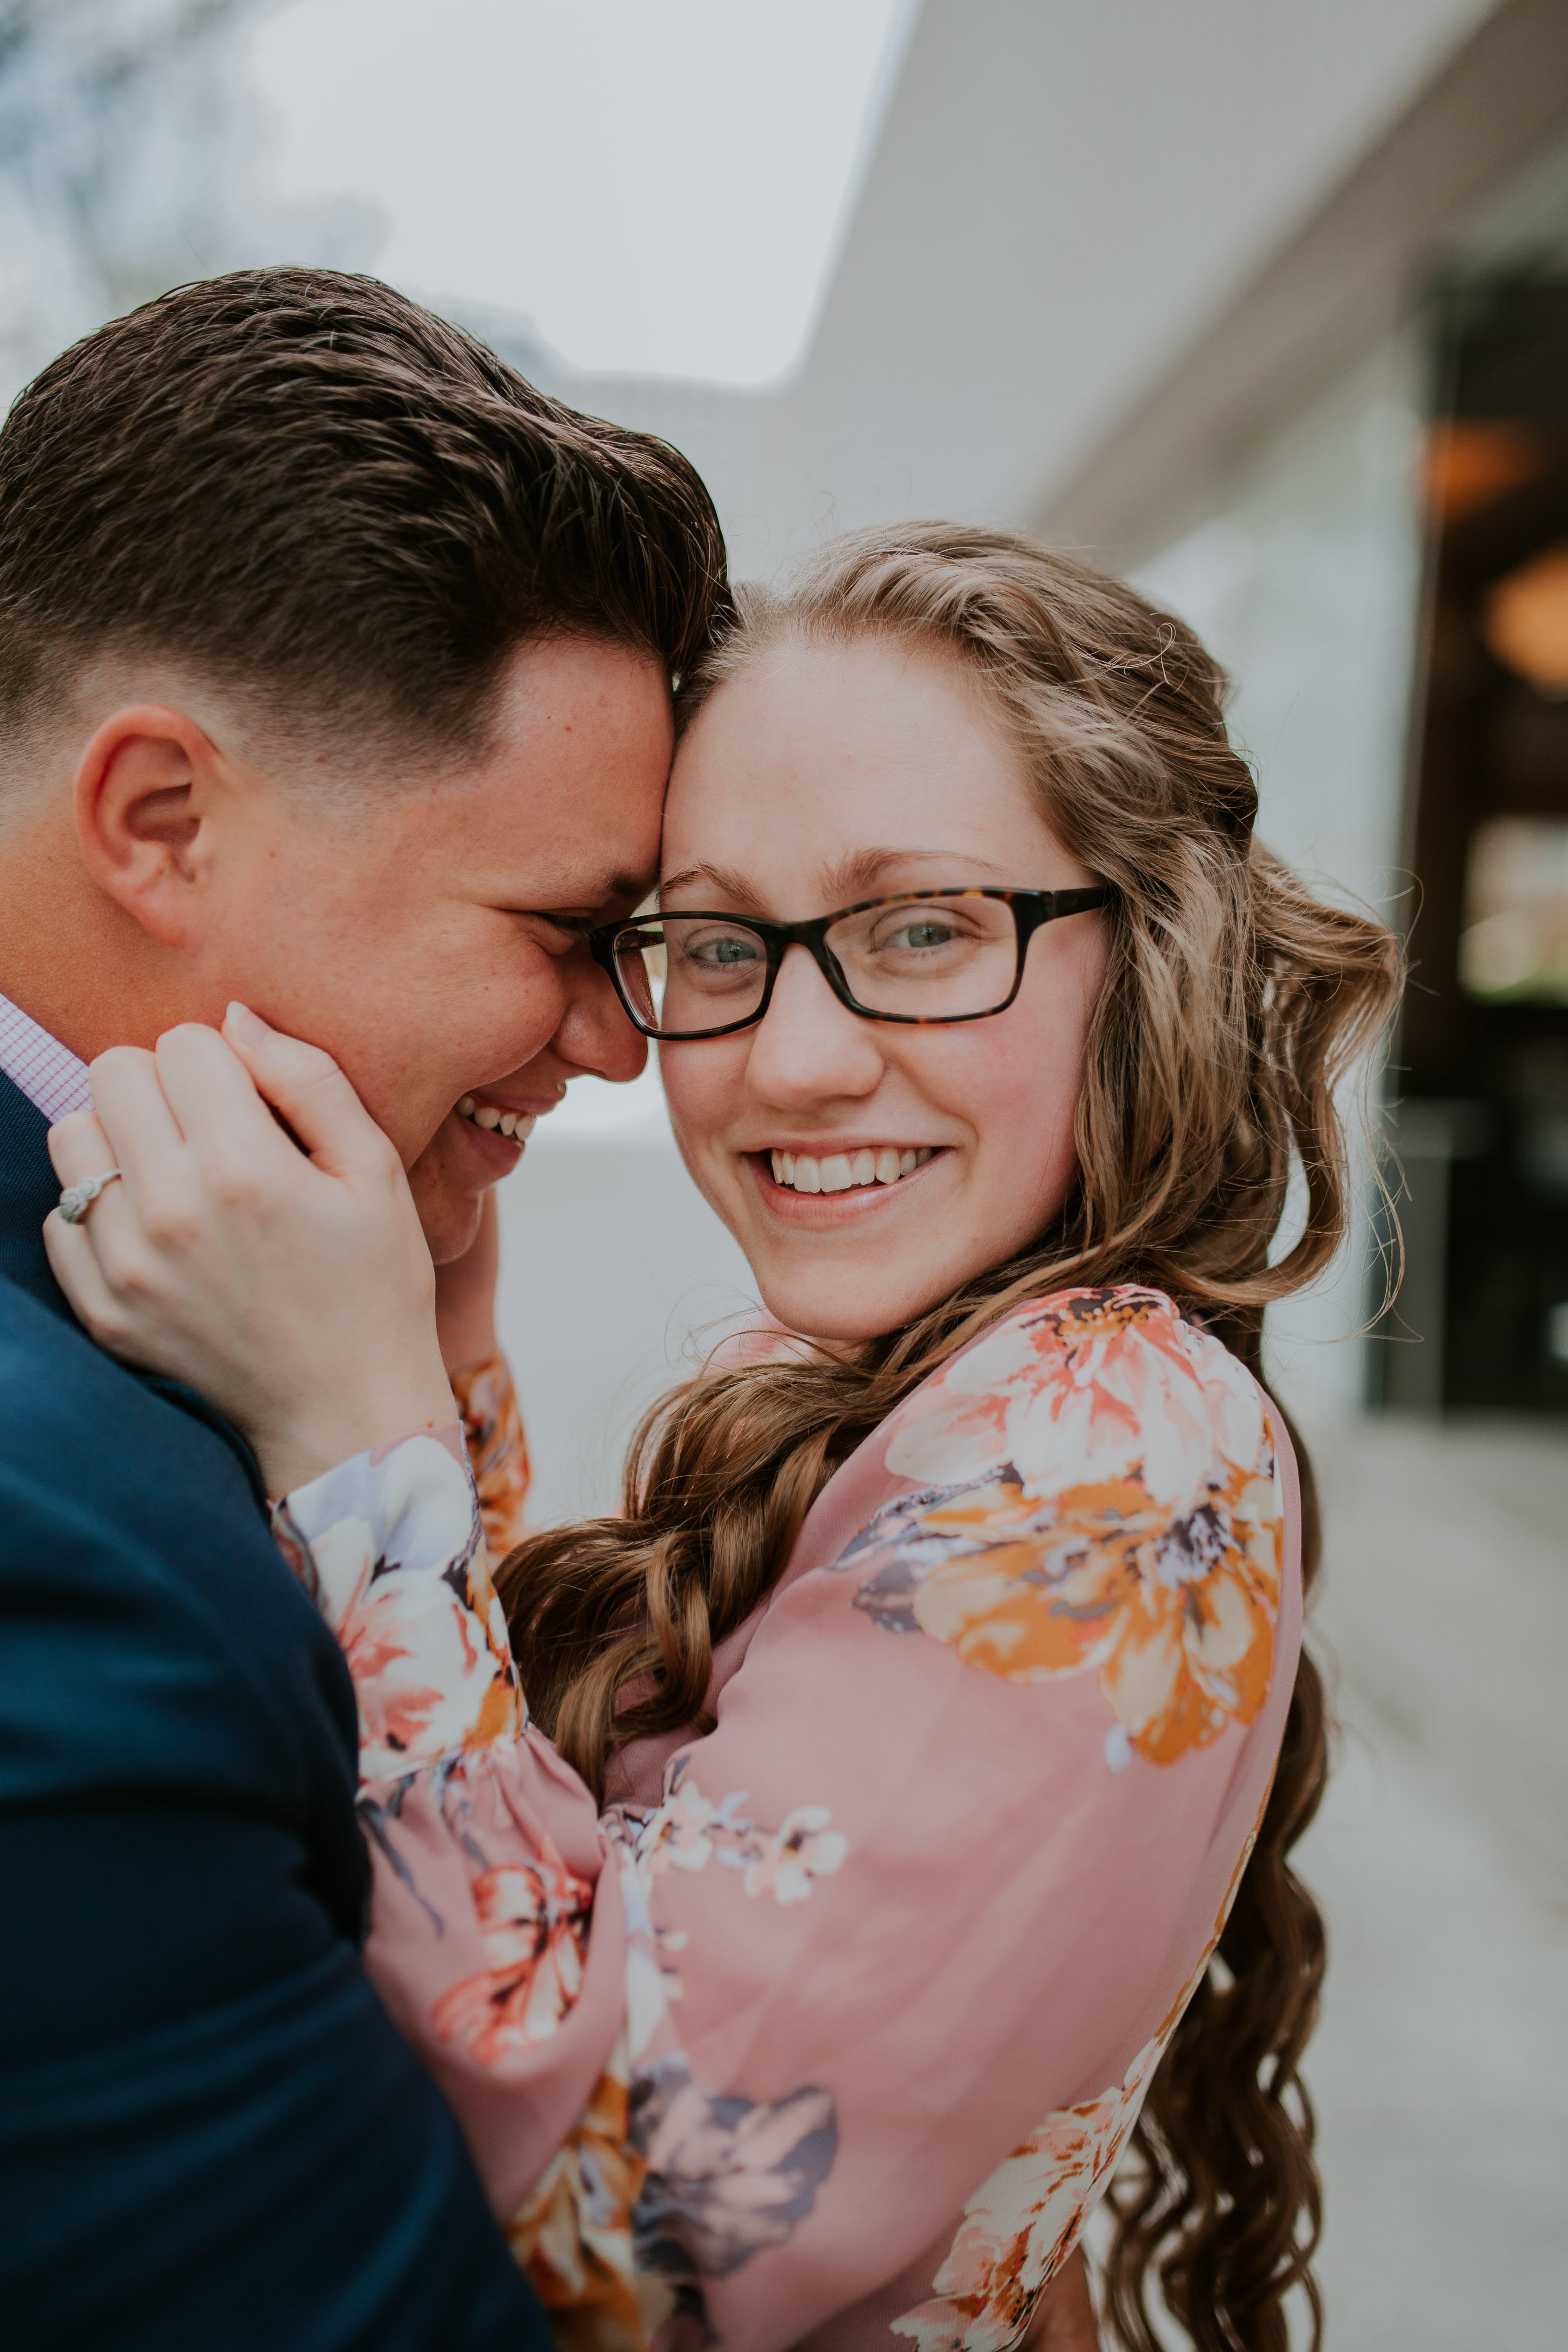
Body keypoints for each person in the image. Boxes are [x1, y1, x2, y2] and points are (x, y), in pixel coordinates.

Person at [45, 525, 1403, 2350]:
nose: (791, 1056)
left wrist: (358, 1435)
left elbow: (630, 2220)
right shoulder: (924, 1371)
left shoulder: (1112, 1436)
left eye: (921, 928)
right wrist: (431, 1349)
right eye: (713, 941)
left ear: (1144, 947)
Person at [0, 265, 728, 2348]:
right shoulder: (55, 1553)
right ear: (162, 818)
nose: (613, 1043)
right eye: (569, 930)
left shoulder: (191, 1278)